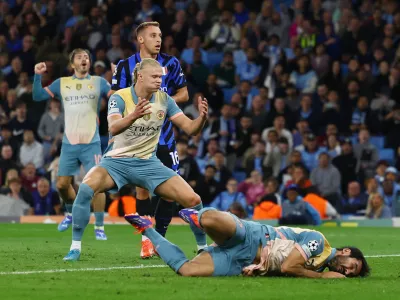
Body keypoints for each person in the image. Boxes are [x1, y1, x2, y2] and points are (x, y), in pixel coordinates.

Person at [63, 58, 208, 262]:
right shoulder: (119, 97)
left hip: (148, 163)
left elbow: (191, 129)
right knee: (86, 189)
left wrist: (201, 119)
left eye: (161, 77)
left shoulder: (164, 99)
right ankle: (75, 248)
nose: (160, 81)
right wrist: (134, 115)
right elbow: (113, 127)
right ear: (140, 76)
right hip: (116, 162)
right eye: (155, 76)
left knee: (194, 200)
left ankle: (203, 249)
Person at [111, 21, 189, 258]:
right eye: (153, 35)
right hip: (139, 139)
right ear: (141, 39)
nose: (159, 39)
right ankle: (147, 240)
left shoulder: (171, 63)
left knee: (169, 192)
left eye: (160, 35)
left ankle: (160, 238)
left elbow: (184, 93)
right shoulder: (126, 66)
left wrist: (163, 102)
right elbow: (115, 96)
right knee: (143, 191)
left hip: (164, 137)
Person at [125, 208, 370, 278]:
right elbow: (288, 267)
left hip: (242, 262)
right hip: (253, 237)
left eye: (350, 274)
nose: (346, 271)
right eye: (352, 266)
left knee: (187, 270)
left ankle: (148, 229)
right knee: (212, 220)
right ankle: (197, 217)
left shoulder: (318, 264)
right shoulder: (319, 243)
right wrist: (323, 278)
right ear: (347, 251)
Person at [32, 48, 111, 240]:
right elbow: (38, 96)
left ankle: (99, 226)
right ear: (72, 63)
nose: (84, 59)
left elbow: (117, 97)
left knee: (97, 185)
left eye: (87, 57)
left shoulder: (99, 82)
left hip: (91, 142)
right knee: (61, 185)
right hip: (69, 143)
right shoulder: (62, 83)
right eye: (79, 57)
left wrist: (118, 80)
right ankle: (71, 213)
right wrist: (37, 76)